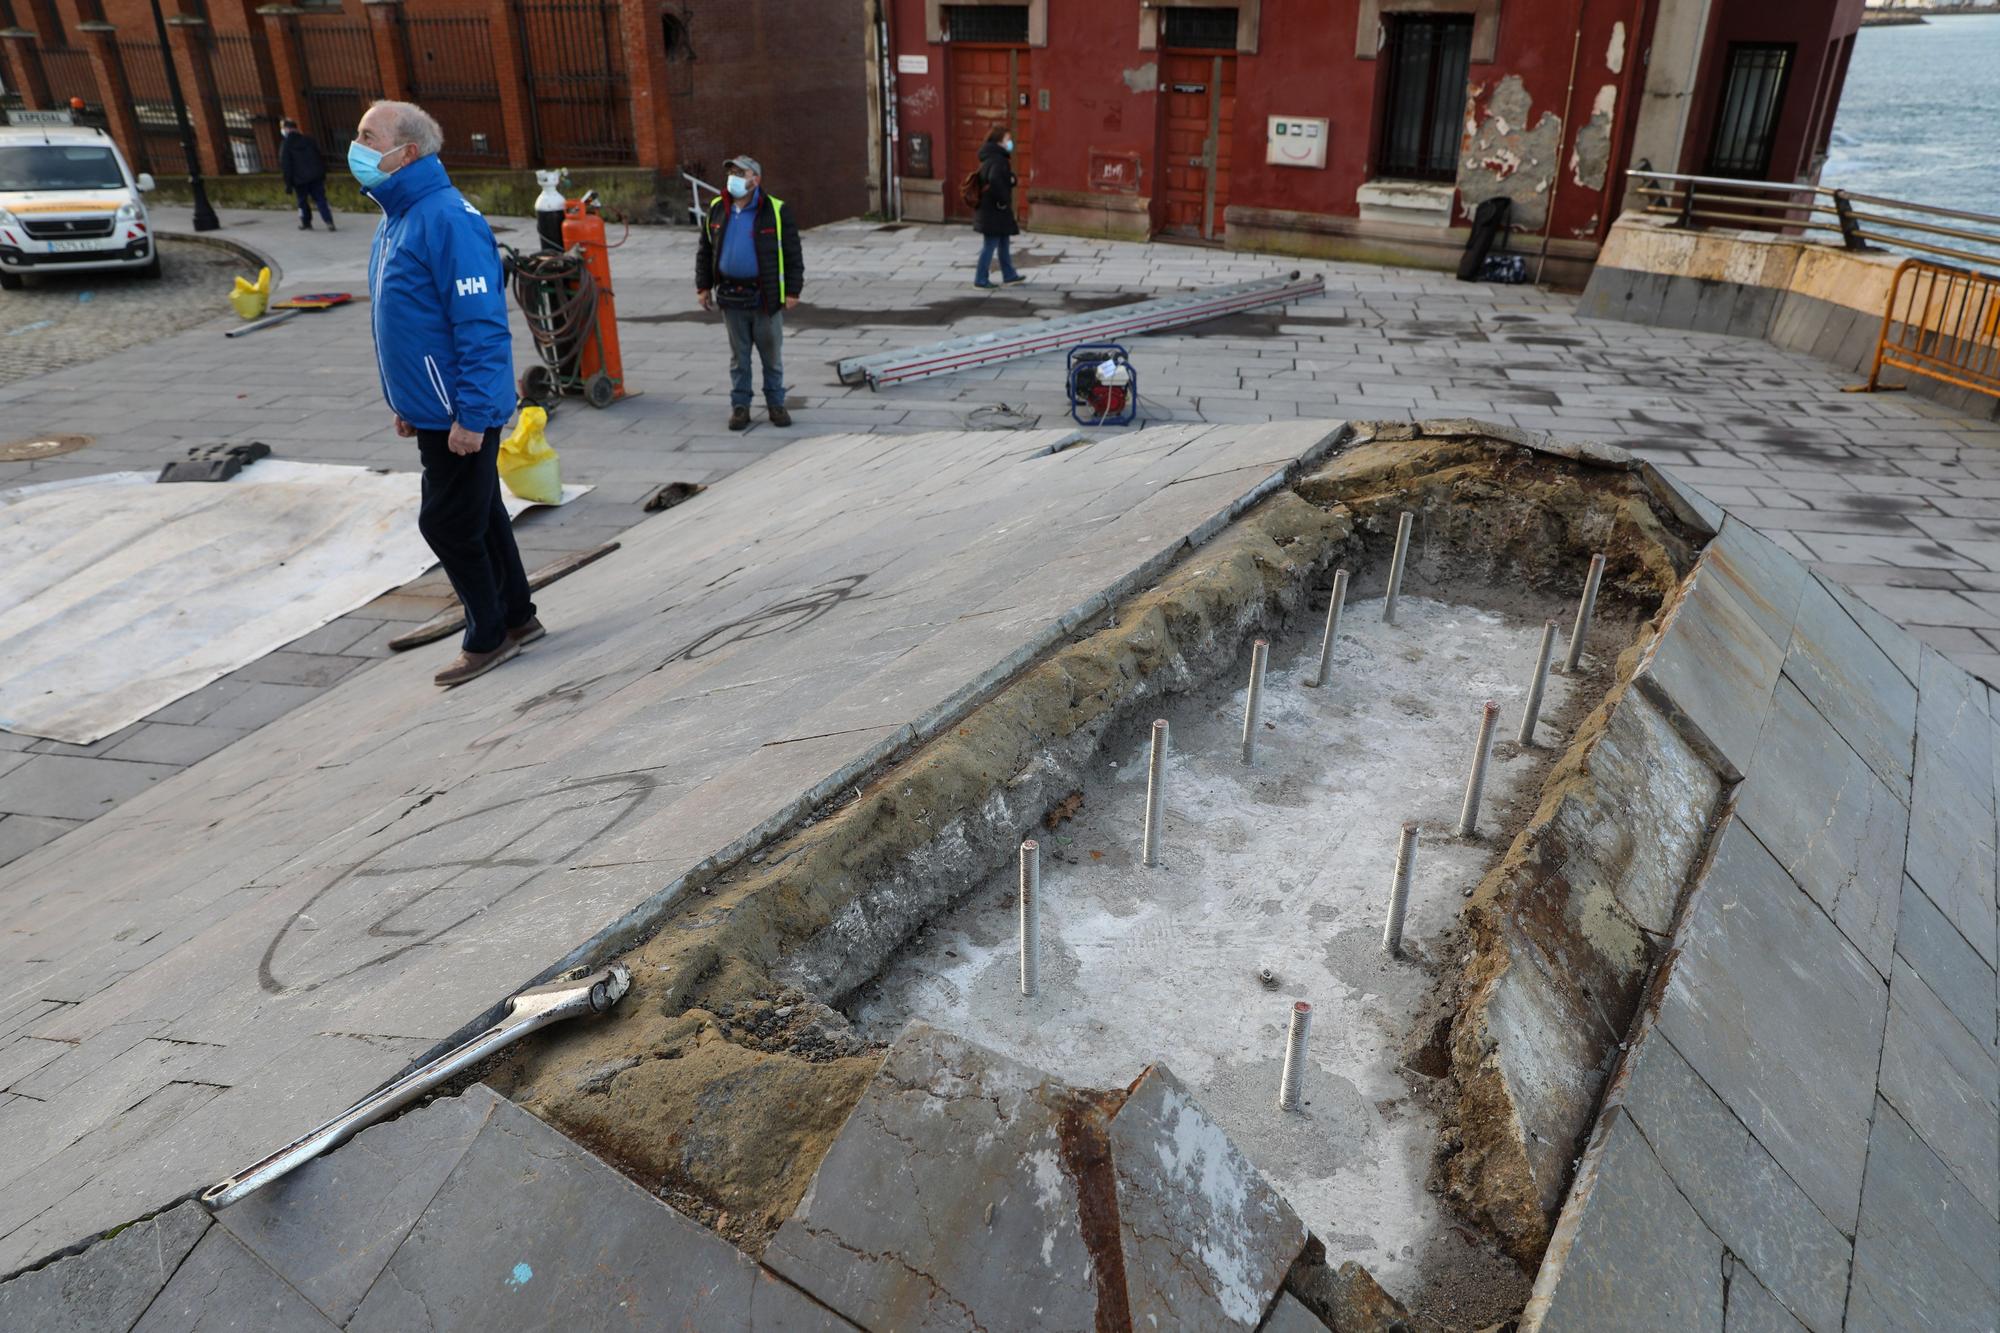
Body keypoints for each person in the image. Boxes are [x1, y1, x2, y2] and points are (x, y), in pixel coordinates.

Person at [352, 99, 538, 687]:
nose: (356, 147)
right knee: (481, 515)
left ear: (406, 152)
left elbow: (480, 323)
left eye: (367, 136)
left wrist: (474, 414)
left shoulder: (446, 219)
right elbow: (408, 320)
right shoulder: (398, 216)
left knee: (447, 524)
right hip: (436, 408)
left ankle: (488, 635)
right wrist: (410, 406)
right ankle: (517, 617)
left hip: (461, 410)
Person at [695, 154, 804, 431]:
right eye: (731, 172)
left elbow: (792, 253)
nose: (733, 177)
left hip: (765, 296)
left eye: (740, 173)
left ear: (756, 179)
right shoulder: (718, 208)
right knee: (739, 358)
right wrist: (703, 285)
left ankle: (776, 404)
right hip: (731, 295)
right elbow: (705, 249)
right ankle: (740, 406)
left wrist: (793, 290)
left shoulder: (776, 210)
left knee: (771, 357)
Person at [973, 125, 1025, 289]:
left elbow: (1000, 178)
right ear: (999, 142)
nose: (1010, 143)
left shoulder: (991, 157)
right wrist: (1003, 199)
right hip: (995, 209)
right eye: (1008, 140)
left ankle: (1009, 275)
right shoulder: (998, 159)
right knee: (990, 244)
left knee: (1003, 242)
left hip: (992, 209)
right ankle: (980, 279)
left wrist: (1011, 180)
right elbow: (995, 180)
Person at [278, 119, 335, 232]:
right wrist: (322, 173)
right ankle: (329, 221)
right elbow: (319, 157)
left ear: (287, 129)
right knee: (321, 199)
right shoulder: (308, 140)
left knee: (302, 202)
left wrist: (288, 184)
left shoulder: (286, 145)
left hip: (299, 180)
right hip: (315, 176)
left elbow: (286, 166)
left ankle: (306, 222)